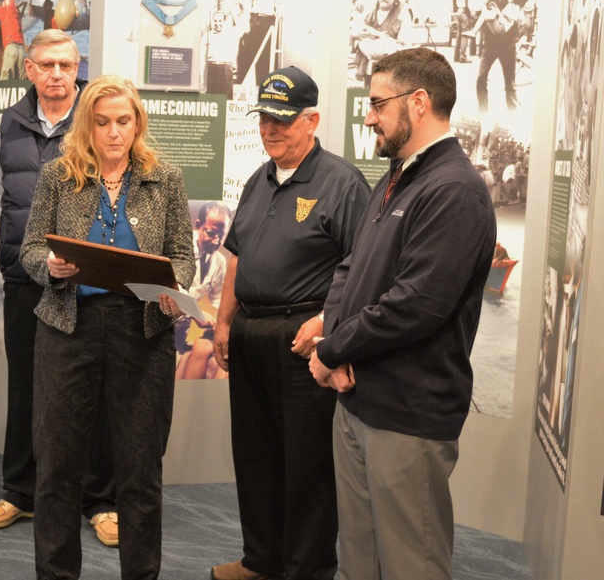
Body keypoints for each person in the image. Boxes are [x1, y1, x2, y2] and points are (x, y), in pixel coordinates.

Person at [309, 48, 496, 579]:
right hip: (357, 399)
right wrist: (334, 336)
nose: (368, 116)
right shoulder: (398, 176)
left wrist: (331, 350)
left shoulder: (455, 190)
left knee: (411, 562)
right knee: (360, 560)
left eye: (376, 104)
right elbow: (352, 266)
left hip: (408, 415)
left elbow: (416, 305)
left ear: (418, 102)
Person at [20, 75, 195, 580]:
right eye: (102, 123)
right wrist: (49, 267)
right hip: (67, 327)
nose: (114, 133)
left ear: (137, 123)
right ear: (87, 125)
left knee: (139, 470)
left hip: (142, 330)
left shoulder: (165, 178)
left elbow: (182, 254)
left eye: (123, 121)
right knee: (57, 466)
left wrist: (174, 285)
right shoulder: (58, 176)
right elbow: (31, 248)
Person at [210, 66, 370, 580]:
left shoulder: (342, 183)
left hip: (304, 342)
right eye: (263, 120)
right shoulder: (260, 179)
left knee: (307, 468)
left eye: (282, 121)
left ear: (312, 120)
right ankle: (262, 559)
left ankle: (305, 569)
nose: (270, 130)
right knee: (255, 457)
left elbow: (364, 269)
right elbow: (236, 257)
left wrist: (326, 321)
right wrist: (223, 323)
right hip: (252, 334)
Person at [0, 29, 120, 548]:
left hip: (86, 285)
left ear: (77, 68)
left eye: (66, 65)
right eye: (47, 65)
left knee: (92, 393)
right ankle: (21, 493)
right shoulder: (10, 124)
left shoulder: (96, 121)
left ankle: (99, 500)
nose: (57, 74)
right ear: (29, 70)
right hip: (25, 277)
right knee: (26, 389)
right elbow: (3, 195)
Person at [175, 201, 230, 380]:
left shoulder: (219, 262)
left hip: (180, 332)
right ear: (198, 226)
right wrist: (196, 312)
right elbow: (171, 289)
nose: (215, 241)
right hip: (161, 326)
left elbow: (219, 300)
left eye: (220, 236)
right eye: (211, 233)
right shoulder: (179, 247)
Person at [474, 0, 516, 112]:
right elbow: (484, 16)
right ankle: (483, 113)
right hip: (491, 44)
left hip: (507, 44)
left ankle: (513, 115)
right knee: (480, 78)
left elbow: (512, 20)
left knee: (510, 85)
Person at [235, 0, 281, 84]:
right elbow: (247, 5)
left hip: (268, 22)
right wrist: (246, 23)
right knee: (251, 51)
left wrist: (277, 11)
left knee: (266, 53)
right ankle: (246, 80)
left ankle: (263, 81)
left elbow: (279, 4)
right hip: (255, 21)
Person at [351, 0, 404, 86]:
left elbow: (403, 43)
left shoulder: (402, 13)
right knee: (368, 94)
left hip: (390, 70)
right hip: (367, 67)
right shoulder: (369, 10)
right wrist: (365, 36)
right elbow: (354, 30)